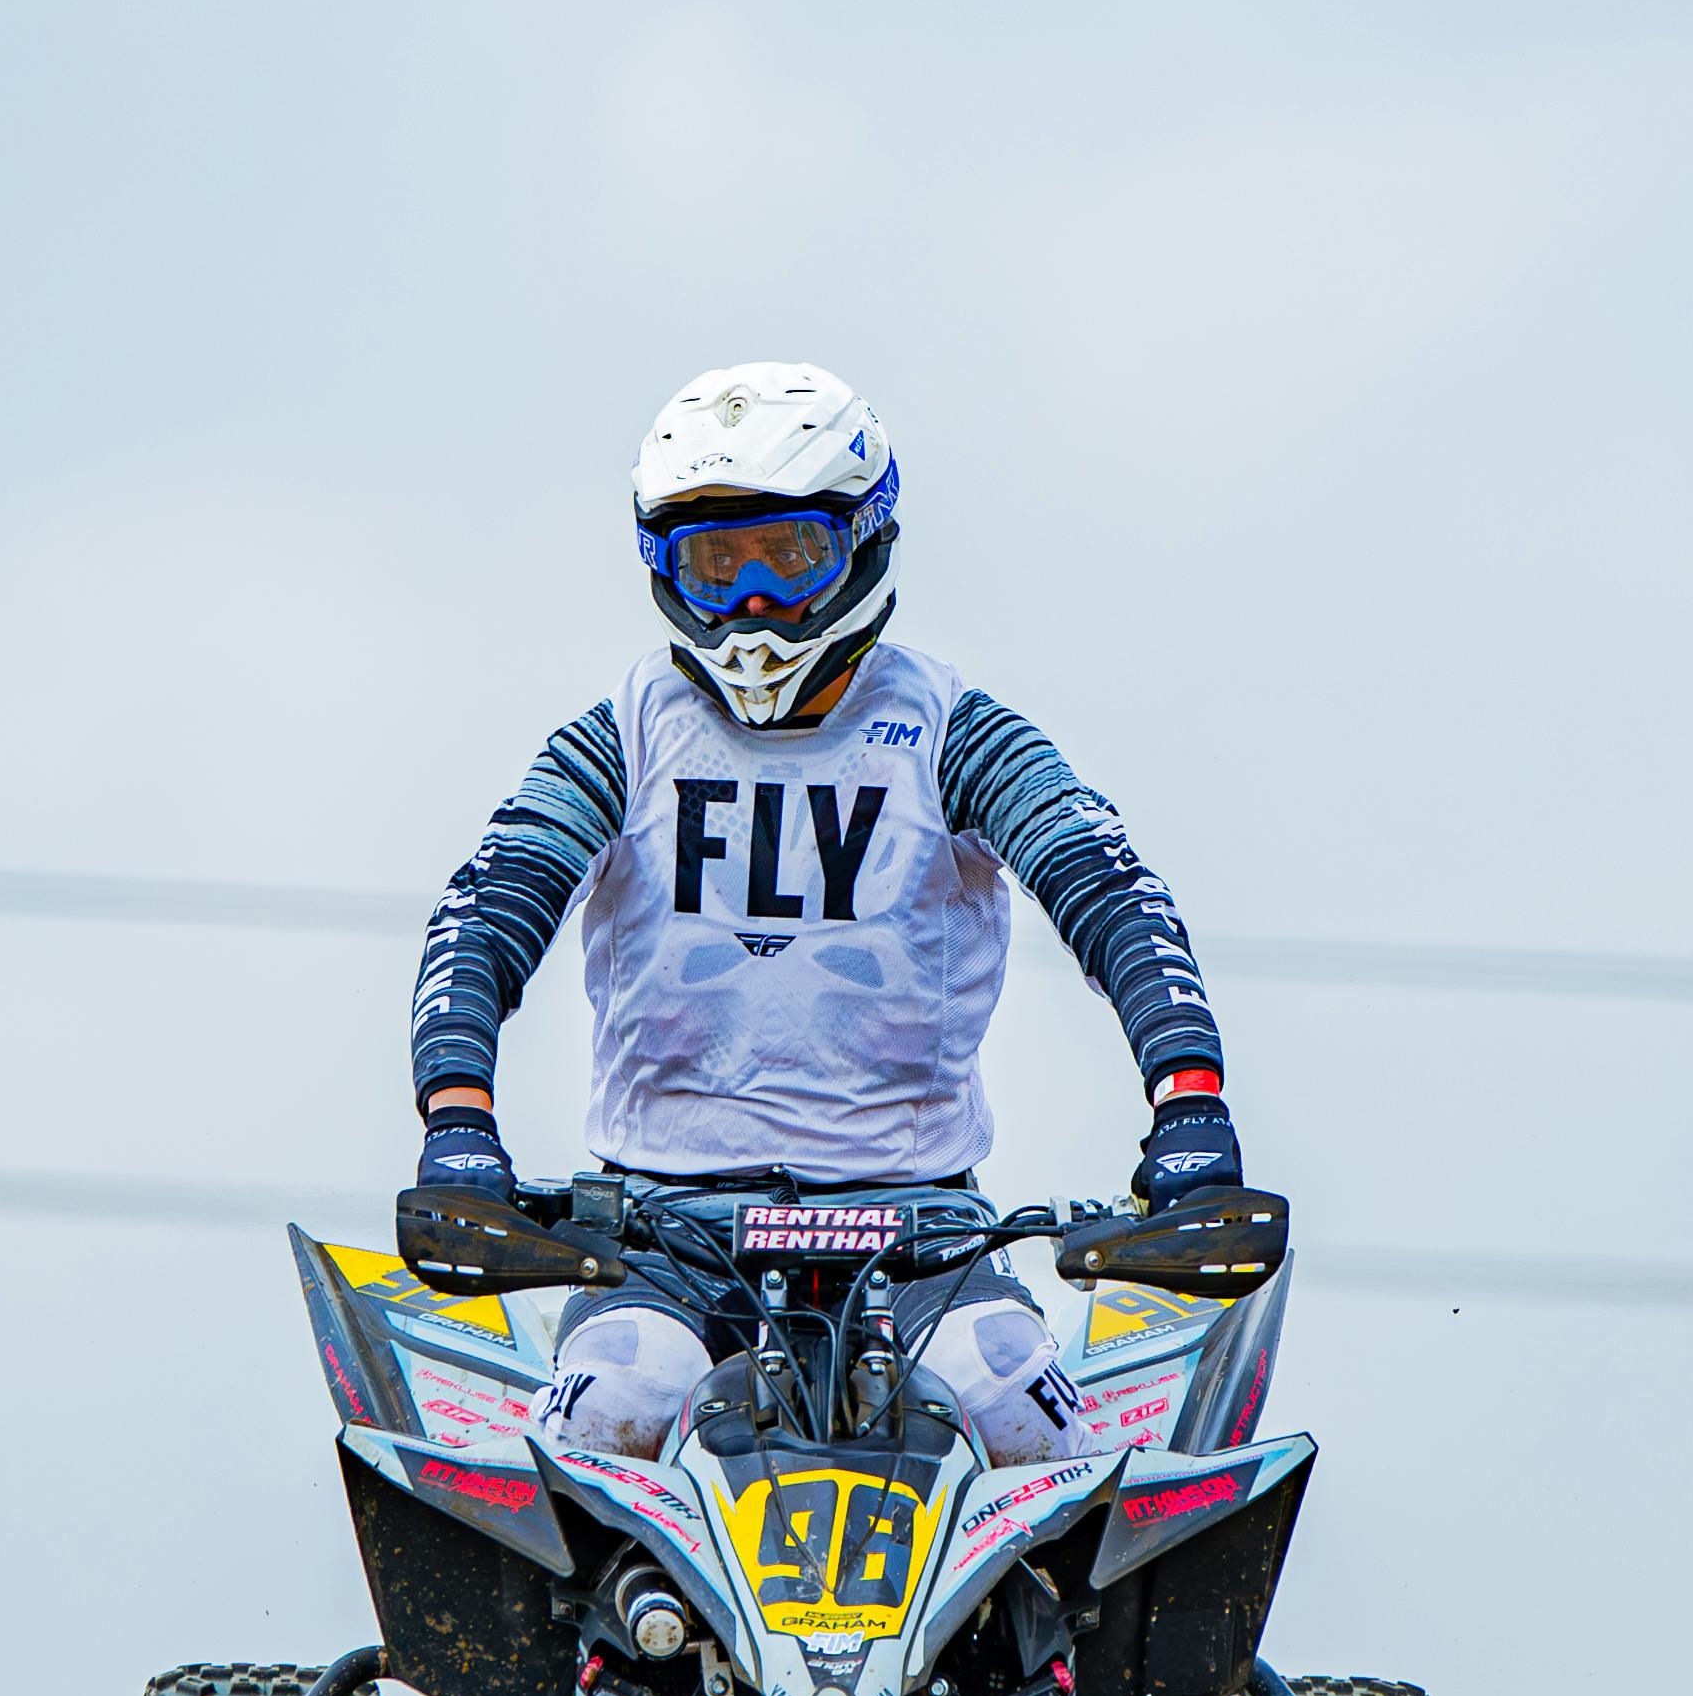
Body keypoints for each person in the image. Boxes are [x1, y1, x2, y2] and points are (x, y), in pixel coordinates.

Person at [410, 359, 1242, 1475]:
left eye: (788, 555)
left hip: (924, 1233)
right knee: (607, 1415)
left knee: (1028, 1420)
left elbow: (1106, 885)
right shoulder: (624, 737)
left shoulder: (955, 732)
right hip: (664, 1233)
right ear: (665, 570)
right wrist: (458, 1119)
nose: (752, 602)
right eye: (716, 564)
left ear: (865, 539)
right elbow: (490, 905)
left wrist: (1190, 1099)